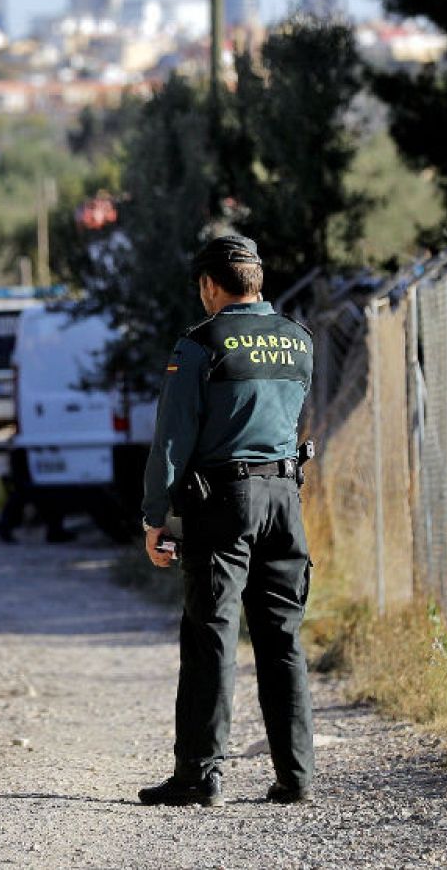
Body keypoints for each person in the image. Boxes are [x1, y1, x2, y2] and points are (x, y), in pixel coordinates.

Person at [137, 235, 316, 808]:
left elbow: (172, 438)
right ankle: (296, 777)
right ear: (257, 279)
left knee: (212, 634)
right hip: (285, 499)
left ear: (211, 285)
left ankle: (198, 775)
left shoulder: (200, 345)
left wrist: (154, 516)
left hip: (223, 503)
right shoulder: (298, 341)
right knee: (282, 637)